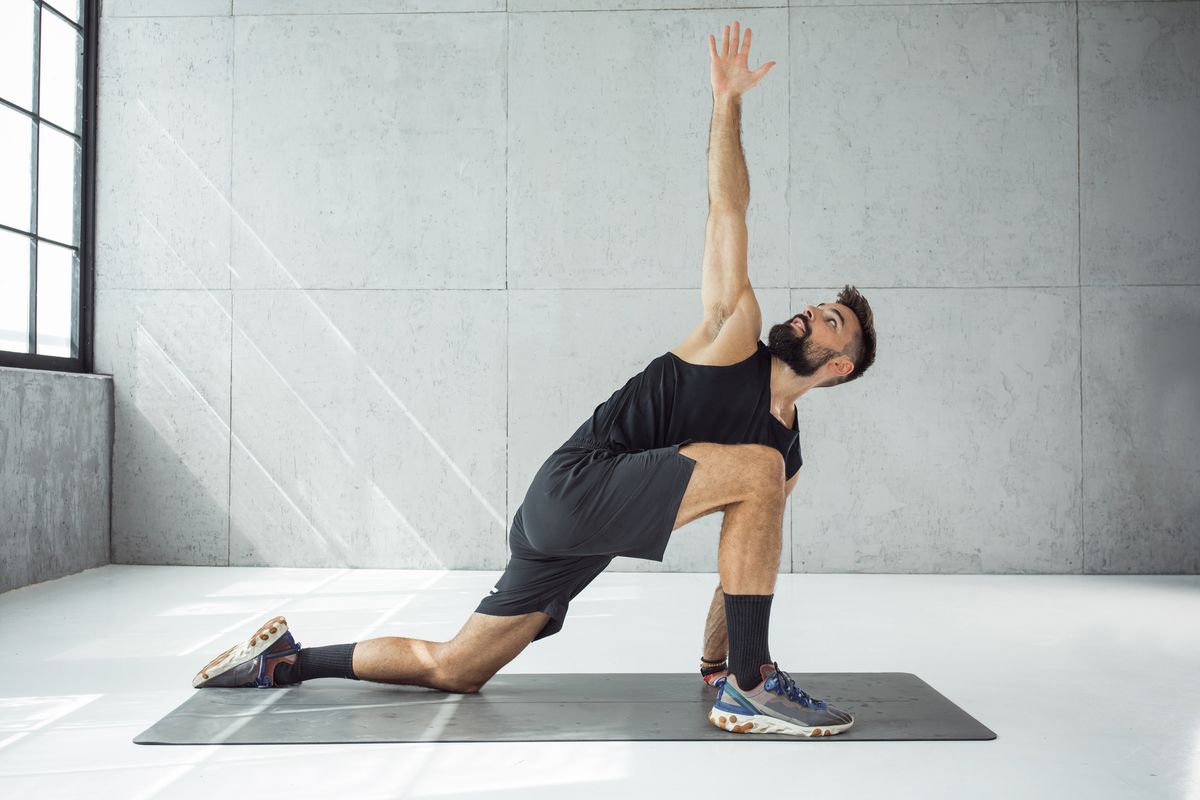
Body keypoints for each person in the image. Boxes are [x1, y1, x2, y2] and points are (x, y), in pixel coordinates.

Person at [192, 20, 877, 738]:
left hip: (571, 533)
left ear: (840, 369)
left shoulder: (780, 460)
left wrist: (711, 658)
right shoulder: (732, 335)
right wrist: (728, 104)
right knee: (760, 469)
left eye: (830, 322)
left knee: (455, 667)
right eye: (816, 307)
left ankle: (286, 662)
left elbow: (742, 564)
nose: (809, 314)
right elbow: (727, 211)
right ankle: (752, 683)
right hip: (577, 486)